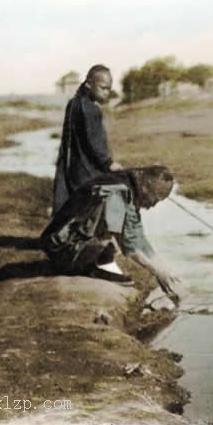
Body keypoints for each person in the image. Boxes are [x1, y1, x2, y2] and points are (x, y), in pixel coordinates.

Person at [41, 165, 182, 305]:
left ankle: (91, 265)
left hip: (67, 243)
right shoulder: (117, 193)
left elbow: (137, 234)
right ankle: (82, 267)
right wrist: (157, 271)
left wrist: (163, 267)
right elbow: (129, 244)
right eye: (155, 198)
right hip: (61, 251)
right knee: (113, 229)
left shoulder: (129, 183)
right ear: (147, 186)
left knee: (117, 228)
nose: (153, 205)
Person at [53, 64, 123, 215]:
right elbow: (94, 142)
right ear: (89, 84)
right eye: (103, 88)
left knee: (78, 213)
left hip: (72, 169)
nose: (106, 92)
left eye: (108, 89)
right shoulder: (91, 108)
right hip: (87, 172)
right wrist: (108, 163)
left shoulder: (74, 103)